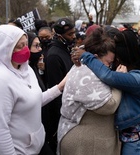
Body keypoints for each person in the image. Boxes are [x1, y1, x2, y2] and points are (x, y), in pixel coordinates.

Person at [73, 29, 140, 155]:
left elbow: (108, 76)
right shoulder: (126, 69)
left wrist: (86, 56)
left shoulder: (138, 77)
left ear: (122, 54)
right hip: (134, 137)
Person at [0, 25, 65, 154]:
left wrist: (60, 87)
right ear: (5, 49)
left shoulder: (26, 69)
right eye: (20, 46)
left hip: (36, 147)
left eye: (26, 44)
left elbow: (34, 100)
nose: (25, 50)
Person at [57, 27, 122, 155]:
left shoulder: (84, 67)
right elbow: (109, 105)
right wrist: (118, 81)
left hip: (88, 139)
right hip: (86, 143)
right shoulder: (87, 72)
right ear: (96, 57)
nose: (109, 67)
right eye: (108, 63)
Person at [45, 17, 75, 153]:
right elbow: (55, 88)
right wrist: (63, 116)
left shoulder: (66, 50)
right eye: (70, 34)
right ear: (59, 36)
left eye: (74, 33)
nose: (73, 36)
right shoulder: (54, 56)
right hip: (60, 113)